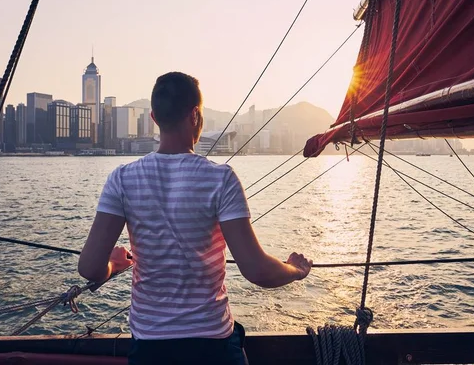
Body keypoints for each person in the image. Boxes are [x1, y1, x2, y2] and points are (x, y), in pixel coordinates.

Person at [78, 72, 313, 364]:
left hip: (151, 349)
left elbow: (89, 267)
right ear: (195, 115)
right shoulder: (221, 179)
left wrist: (112, 264)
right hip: (211, 345)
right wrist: (295, 269)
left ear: (154, 117)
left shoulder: (122, 179)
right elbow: (257, 271)